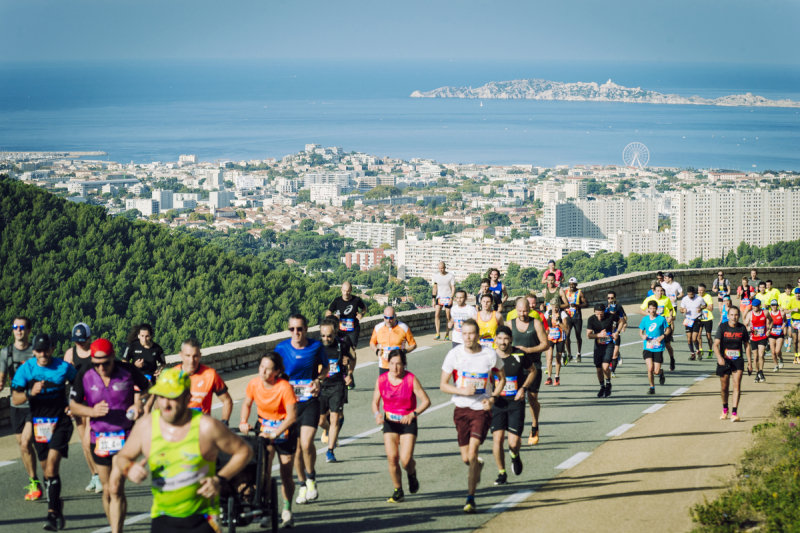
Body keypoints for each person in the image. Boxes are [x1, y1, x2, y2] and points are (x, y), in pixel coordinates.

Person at [115, 367, 252, 533]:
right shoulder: (147, 426)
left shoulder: (206, 426)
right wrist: (129, 468)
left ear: (188, 398)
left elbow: (244, 451)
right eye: (161, 396)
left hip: (203, 519)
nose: (165, 403)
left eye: (172, 397)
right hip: (163, 517)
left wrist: (220, 479)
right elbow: (121, 457)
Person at [69, 338, 150, 533]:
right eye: (97, 363)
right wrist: (92, 412)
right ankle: (115, 525)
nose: (101, 367)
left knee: (115, 487)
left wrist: (139, 404)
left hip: (125, 437)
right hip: (100, 439)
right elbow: (73, 405)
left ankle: (116, 531)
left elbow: (148, 389)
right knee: (106, 490)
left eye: (106, 363)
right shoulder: (85, 373)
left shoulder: (128, 371)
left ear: (113, 356)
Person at [439, 319, 507, 514]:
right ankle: (476, 465)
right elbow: (443, 385)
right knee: (466, 458)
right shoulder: (454, 354)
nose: (468, 337)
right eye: (465, 334)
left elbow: (501, 379)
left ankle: (470, 499)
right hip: (461, 410)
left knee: (473, 451)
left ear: (478, 335)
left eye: (472, 334)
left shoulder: (489, 354)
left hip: (481, 410)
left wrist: (493, 398)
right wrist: (461, 390)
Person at [11, 334, 77, 531]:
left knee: (51, 468)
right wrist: (31, 393)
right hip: (39, 422)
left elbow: (80, 385)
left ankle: (51, 515)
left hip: (61, 421)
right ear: (34, 351)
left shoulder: (63, 367)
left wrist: (73, 404)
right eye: (39, 351)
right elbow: (15, 398)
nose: (42, 354)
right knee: (47, 474)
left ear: (52, 348)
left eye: (46, 350)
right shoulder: (27, 369)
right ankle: (57, 504)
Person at [239, 352, 298, 528]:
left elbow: (292, 417)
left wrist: (275, 434)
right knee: (262, 471)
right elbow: (247, 404)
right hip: (263, 430)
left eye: (268, 369)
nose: (263, 371)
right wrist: (243, 421)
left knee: (286, 474)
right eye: (261, 366)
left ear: (277, 371)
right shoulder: (254, 384)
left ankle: (287, 509)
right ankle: (266, 509)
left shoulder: (284, 387)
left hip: (284, 432)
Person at [275, 314, 327, 505]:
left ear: (306, 329)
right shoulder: (281, 348)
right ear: (288, 330)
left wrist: (318, 381)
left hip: (309, 400)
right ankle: (303, 484)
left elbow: (325, 368)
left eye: (299, 329)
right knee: (295, 450)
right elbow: (274, 371)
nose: (296, 332)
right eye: (292, 329)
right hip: (289, 405)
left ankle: (311, 477)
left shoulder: (315, 346)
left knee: (306, 444)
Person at [372, 349, 430, 503]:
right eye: (391, 364)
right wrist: (376, 414)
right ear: (388, 364)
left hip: (408, 422)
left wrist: (413, 414)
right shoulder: (382, 379)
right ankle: (398, 490)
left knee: (405, 460)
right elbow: (374, 401)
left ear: (405, 364)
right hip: (390, 422)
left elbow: (426, 401)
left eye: (398, 364)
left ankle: (411, 473)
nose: (395, 368)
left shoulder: (410, 379)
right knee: (392, 458)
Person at [0, 316, 41, 501]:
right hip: (15, 405)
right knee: (23, 447)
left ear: (29, 330)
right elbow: (1, 379)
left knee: (26, 442)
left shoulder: (36, 352)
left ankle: (41, 480)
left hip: (34, 404)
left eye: (22, 327)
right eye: (15, 327)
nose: (18, 330)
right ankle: (34, 480)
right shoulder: (6, 353)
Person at [490, 326, 536, 485]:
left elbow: (533, 371)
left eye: (506, 339)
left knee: (514, 443)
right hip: (497, 403)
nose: (503, 342)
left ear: (511, 339)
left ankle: (514, 456)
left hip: (516, 402)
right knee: (498, 438)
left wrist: (523, 388)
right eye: (500, 338)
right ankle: (501, 473)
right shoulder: (490, 356)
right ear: (495, 339)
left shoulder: (519, 354)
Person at [63, 322, 100, 493]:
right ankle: (94, 475)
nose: (79, 343)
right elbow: (63, 380)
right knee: (84, 444)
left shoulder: (94, 353)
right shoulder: (70, 353)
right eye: (76, 340)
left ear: (89, 338)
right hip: (77, 399)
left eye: (82, 340)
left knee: (88, 439)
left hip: (93, 398)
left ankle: (101, 474)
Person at [509, 298, 548, 445]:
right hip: (515, 367)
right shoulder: (510, 323)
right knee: (516, 398)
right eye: (520, 311)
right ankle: (515, 429)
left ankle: (534, 426)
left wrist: (529, 350)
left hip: (533, 366)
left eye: (525, 311)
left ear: (529, 310)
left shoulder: (535, 323)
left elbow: (546, 344)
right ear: (516, 309)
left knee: (532, 399)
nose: (522, 314)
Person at [317, 320, 354, 463]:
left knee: (334, 418)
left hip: (337, 386)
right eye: (323, 336)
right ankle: (333, 432)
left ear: (335, 334)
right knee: (320, 420)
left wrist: (350, 374)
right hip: (321, 386)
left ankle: (330, 451)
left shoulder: (342, 345)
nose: (326, 339)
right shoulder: (316, 347)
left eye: (329, 336)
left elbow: (353, 358)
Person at [178, 340, 233, 420]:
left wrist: (224, 423)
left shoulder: (210, 374)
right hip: (179, 428)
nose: (191, 360)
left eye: (195, 356)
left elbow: (227, 400)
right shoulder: (172, 374)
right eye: (188, 356)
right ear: (181, 355)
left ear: (200, 355)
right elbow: (160, 405)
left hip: (202, 428)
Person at [714, 306, 750, 422]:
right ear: (728, 316)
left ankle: (734, 412)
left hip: (738, 360)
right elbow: (715, 345)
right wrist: (719, 357)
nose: (734, 317)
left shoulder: (742, 328)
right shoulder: (722, 327)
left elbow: (747, 345)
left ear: (738, 316)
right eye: (732, 315)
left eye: (736, 315)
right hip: (724, 360)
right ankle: (725, 408)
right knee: (724, 387)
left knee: (737, 385)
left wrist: (750, 362)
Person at [370, 306, 417, 375]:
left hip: (399, 364)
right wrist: (376, 350)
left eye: (391, 318)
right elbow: (372, 343)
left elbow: (413, 344)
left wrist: (404, 351)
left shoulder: (403, 327)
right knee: (384, 385)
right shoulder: (378, 328)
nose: (388, 320)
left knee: (399, 385)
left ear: (395, 316)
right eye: (386, 318)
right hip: (384, 365)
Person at [640, 285, 676, 371]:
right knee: (654, 343)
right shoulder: (649, 299)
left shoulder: (666, 299)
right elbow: (641, 310)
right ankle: (655, 364)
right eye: (658, 291)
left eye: (661, 291)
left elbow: (671, 309)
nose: (660, 293)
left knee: (667, 344)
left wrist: (670, 316)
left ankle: (672, 359)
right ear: (654, 291)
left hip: (663, 323)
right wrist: (650, 315)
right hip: (653, 324)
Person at [326, 281, 367, 350]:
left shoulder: (356, 300)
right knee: (340, 350)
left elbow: (364, 307)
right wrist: (333, 317)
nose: (345, 293)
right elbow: (328, 313)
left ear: (351, 290)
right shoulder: (337, 301)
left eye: (348, 291)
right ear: (341, 290)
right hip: (340, 331)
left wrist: (362, 314)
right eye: (344, 291)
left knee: (351, 351)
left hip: (353, 331)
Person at [639, 300, 669, 394]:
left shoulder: (661, 319)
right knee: (650, 369)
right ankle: (652, 387)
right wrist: (642, 336)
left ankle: (660, 373)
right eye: (650, 308)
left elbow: (668, 330)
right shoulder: (645, 319)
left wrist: (662, 336)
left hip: (658, 347)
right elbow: (640, 331)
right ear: (648, 309)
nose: (652, 310)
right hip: (648, 347)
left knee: (656, 371)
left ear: (657, 309)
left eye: (654, 308)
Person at [588, 304, 617, 398]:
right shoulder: (591, 319)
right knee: (599, 369)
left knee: (605, 366)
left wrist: (617, 332)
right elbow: (588, 335)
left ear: (604, 312)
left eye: (601, 315)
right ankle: (602, 387)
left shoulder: (610, 316)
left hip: (609, 344)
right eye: (597, 314)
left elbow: (621, 321)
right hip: (598, 346)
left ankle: (608, 384)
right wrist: (599, 335)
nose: (599, 317)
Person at [563, 277, 587, 363]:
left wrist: (577, 305)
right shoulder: (566, 292)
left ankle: (578, 353)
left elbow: (586, 304)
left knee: (578, 335)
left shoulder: (580, 293)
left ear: (576, 284)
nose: (572, 286)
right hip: (568, 316)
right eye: (570, 284)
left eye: (573, 284)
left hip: (577, 317)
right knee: (567, 335)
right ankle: (569, 354)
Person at [744, 299, 768, 383]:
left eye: (755, 306)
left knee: (761, 355)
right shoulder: (750, 314)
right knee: (755, 357)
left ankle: (761, 371)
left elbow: (771, 321)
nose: (754, 307)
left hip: (762, 337)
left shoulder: (765, 313)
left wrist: (769, 329)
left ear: (759, 306)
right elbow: (745, 324)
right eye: (753, 306)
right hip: (753, 338)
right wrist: (747, 328)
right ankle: (757, 373)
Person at [680, 286, 707, 361]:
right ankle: (692, 354)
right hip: (688, 319)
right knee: (689, 339)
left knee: (694, 338)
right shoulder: (684, 299)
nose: (690, 296)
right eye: (689, 294)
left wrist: (701, 309)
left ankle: (698, 351)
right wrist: (683, 310)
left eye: (691, 294)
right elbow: (681, 310)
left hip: (696, 319)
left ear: (694, 293)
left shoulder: (699, 299)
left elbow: (705, 305)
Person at [543, 305, 568, 386]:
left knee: (557, 359)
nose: (554, 309)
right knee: (549, 357)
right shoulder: (548, 313)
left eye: (556, 307)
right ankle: (549, 377)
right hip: (550, 337)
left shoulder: (562, 313)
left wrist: (558, 323)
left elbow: (566, 327)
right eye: (553, 307)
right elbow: (543, 324)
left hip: (560, 338)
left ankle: (557, 377)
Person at [605, 290, 627, 377]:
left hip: (616, 333)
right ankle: (610, 363)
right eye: (608, 298)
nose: (610, 299)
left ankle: (612, 371)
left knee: (615, 352)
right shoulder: (605, 310)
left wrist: (623, 327)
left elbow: (624, 320)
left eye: (612, 298)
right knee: (608, 352)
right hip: (607, 334)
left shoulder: (619, 309)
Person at [432, 262, 456, 341]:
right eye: (439, 268)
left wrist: (452, 298)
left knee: (448, 316)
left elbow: (453, 287)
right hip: (439, 297)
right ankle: (438, 333)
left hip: (448, 297)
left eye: (442, 268)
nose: (440, 270)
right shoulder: (436, 276)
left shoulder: (450, 276)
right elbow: (435, 287)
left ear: (445, 267)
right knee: (437, 314)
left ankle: (447, 334)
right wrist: (433, 299)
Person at [767, 299, 786, 372]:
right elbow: (767, 324)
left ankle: (781, 359)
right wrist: (769, 329)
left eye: (775, 305)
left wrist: (784, 325)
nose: (773, 306)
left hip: (779, 334)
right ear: (771, 306)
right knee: (773, 352)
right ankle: (776, 365)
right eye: (772, 305)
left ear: (777, 305)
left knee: (778, 351)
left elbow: (785, 321)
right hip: (772, 334)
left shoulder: (781, 313)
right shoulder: (769, 314)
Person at [697, 284, 715, 359]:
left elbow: (711, 308)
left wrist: (704, 307)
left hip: (708, 318)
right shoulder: (696, 297)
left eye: (701, 290)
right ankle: (700, 349)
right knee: (698, 334)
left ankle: (710, 350)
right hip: (699, 318)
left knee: (708, 336)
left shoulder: (708, 296)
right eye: (699, 290)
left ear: (705, 290)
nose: (700, 292)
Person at [788, 289, 800, 364]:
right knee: (795, 340)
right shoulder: (791, 300)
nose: (798, 295)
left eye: (799, 293)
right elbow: (785, 310)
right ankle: (795, 354)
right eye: (796, 293)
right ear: (794, 294)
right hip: (794, 322)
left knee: (799, 339)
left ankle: (799, 354)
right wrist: (793, 310)